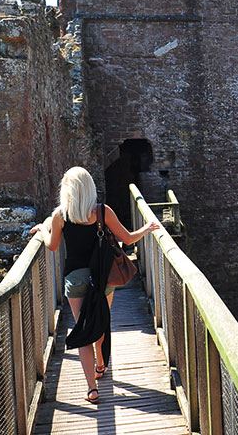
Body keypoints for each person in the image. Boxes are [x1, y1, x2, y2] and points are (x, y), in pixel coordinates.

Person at [32, 167, 159, 404]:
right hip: (102, 277)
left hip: (75, 279)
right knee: (100, 322)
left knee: (82, 331)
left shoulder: (61, 215)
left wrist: (42, 230)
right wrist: (147, 228)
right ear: (89, 187)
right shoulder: (102, 212)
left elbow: (52, 246)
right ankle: (101, 365)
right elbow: (128, 238)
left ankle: (91, 388)